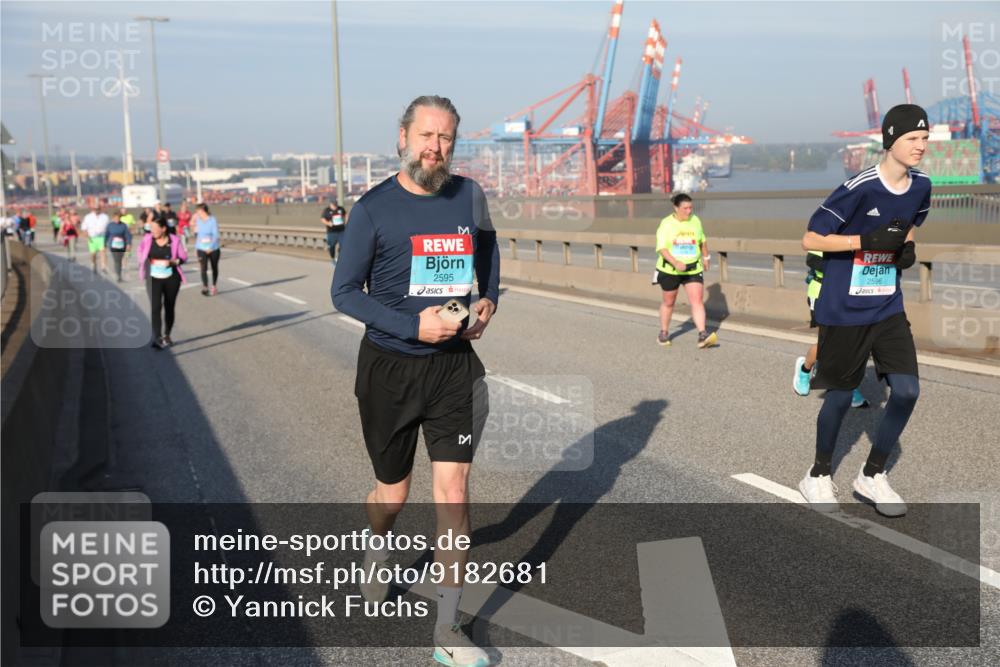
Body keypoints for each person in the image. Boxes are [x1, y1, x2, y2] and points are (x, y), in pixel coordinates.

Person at [332, 95, 499, 667]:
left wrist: (488, 301)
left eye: (446, 138)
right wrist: (411, 326)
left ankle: (448, 631)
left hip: (454, 368)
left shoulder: (468, 195)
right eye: (426, 135)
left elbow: (489, 247)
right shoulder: (373, 209)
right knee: (393, 495)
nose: (436, 147)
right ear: (402, 137)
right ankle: (378, 547)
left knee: (453, 493)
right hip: (390, 370)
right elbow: (343, 292)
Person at [798, 104, 930, 517]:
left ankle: (871, 475)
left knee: (907, 390)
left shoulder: (922, 186)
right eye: (912, 139)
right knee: (838, 397)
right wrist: (865, 240)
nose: (921, 147)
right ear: (891, 141)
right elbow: (811, 238)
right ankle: (817, 475)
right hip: (845, 308)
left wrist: (906, 248)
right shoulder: (860, 186)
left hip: (888, 305)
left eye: (925, 139)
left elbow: (910, 225)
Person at [793, 250, 869, 408]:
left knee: (851, 343)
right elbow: (813, 260)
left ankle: (848, 386)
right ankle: (804, 369)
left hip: (849, 295)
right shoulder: (826, 228)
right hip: (822, 293)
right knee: (828, 344)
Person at [653, 193, 718, 348]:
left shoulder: (695, 220)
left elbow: (702, 240)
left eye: (690, 207)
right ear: (676, 208)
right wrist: (675, 262)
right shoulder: (666, 224)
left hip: (692, 268)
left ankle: (703, 335)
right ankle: (663, 332)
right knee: (669, 302)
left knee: (697, 301)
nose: (689, 211)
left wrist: (706, 257)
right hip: (670, 269)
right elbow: (661, 248)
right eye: (685, 208)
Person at [137, 217, 188, 349]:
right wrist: (143, 261)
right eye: (151, 228)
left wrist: (173, 262)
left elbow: (183, 257)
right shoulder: (147, 239)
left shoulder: (174, 240)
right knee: (155, 307)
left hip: (171, 278)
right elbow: (140, 251)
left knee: (169, 307)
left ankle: (167, 335)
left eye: (154, 228)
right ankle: (157, 337)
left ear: (163, 228)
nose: (152, 231)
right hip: (153, 278)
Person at [192, 203, 221, 296]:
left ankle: (214, 285)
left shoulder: (212, 220)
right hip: (201, 248)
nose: (196, 213)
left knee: (214, 267)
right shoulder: (199, 221)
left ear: (203, 211)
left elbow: (216, 235)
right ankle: (205, 287)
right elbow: (199, 236)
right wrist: (196, 248)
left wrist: (210, 247)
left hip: (213, 248)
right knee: (203, 268)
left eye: (198, 211)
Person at [104, 211, 133, 282]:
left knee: (120, 260)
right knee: (116, 260)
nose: (117, 219)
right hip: (113, 245)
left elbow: (127, 235)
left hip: (122, 245)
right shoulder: (110, 225)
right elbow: (106, 235)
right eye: (115, 218)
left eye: (118, 218)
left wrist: (129, 243)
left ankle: (119, 273)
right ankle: (118, 275)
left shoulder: (123, 225)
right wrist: (104, 244)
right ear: (113, 218)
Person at [81, 204, 110, 272]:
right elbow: (84, 227)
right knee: (93, 254)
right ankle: (93, 263)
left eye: (98, 208)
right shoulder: (88, 217)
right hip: (92, 237)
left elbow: (108, 227)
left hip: (102, 237)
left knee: (103, 251)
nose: (97, 210)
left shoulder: (105, 217)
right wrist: (86, 235)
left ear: (100, 209)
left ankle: (103, 266)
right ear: (93, 209)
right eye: (95, 209)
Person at [320, 198, 347, 264]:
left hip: (341, 230)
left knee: (343, 245)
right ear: (331, 203)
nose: (335, 204)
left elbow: (346, 214)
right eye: (334, 203)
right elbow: (322, 219)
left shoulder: (340, 209)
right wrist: (328, 223)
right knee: (332, 246)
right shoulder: (327, 210)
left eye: (336, 203)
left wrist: (346, 222)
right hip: (332, 232)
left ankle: (339, 258)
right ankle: (332, 258)